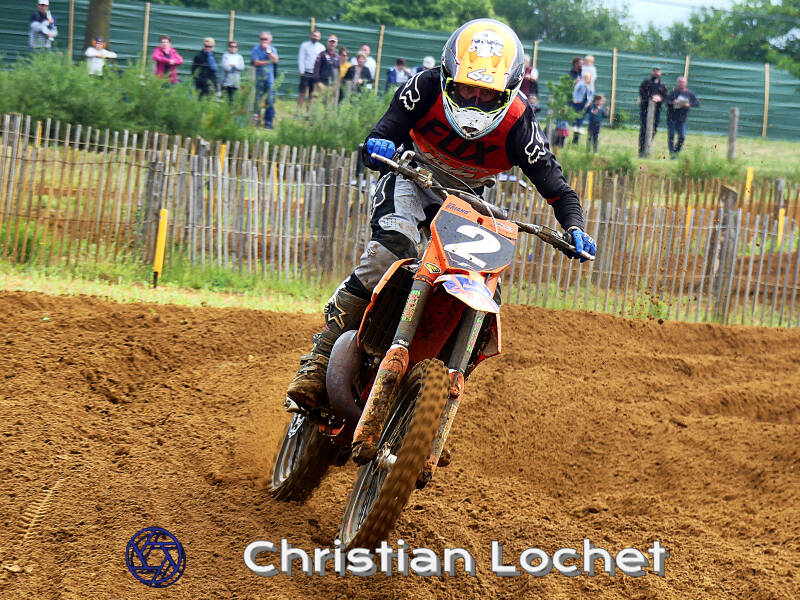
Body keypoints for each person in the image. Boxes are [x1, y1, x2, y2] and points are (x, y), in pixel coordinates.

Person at [285, 19, 596, 412]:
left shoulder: (519, 123)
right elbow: (382, 134)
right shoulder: (425, 87)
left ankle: (435, 399)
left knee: (487, 295)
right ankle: (318, 359)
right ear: (449, 78)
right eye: (467, 89)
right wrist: (377, 146)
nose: (475, 101)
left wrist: (575, 227)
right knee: (391, 249)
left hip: (465, 201)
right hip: (410, 176)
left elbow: (559, 190)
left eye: (487, 93)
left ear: (507, 91)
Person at [665, 77, 700, 158]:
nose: (682, 84)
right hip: (672, 117)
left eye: (683, 82)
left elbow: (697, 103)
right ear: (678, 83)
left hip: (682, 119)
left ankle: (676, 151)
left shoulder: (689, 93)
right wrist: (673, 102)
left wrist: (689, 104)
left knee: (682, 137)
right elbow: (667, 102)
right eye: (680, 82)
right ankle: (672, 154)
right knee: (671, 136)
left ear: (686, 83)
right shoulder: (673, 92)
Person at [638, 66, 667, 157]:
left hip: (657, 111)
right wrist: (651, 97)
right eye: (655, 71)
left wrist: (660, 98)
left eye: (658, 71)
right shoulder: (646, 82)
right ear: (653, 72)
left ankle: (648, 147)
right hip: (645, 109)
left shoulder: (662, 85)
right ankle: (641, 151)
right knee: (644, 129)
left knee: (654, 129)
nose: (657, 73)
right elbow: (642, 92)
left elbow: (665, 96)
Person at [252, 32, 279, 128]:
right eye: (261, 39)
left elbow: (275, 60)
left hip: (269, 79)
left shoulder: (273, 49)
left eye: (265, 39)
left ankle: (268, 123)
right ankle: (257, 121)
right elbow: (256, 62)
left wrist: (268, 51)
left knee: (269, 101)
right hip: (259, 78)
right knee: (258, 100)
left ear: (270, 40)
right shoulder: (255, 49)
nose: (263, 41)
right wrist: (268, 61)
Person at [297, 30, 324, 115]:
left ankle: (308, 113)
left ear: (320, 37)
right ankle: (298, 112)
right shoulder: (304, 45)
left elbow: (322, 62)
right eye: (314, 35)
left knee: (311, 95)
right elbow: (301, 58)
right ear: (310, 36)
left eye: (317, 36)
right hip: (306, 72)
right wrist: (302, 71)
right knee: (302, 93)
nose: (315, 37)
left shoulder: (322, 47)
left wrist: (319, 74)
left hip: (315, 74)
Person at [313, 35, 340, 104]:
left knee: (329, 104)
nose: (332, 44)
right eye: (330, 42)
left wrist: (337, 83)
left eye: (334, 42)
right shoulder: (321, 54)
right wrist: (317, 81)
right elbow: (316, 68)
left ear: (336, 44)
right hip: (321, 83)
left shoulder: (337, 57)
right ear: (327, 43)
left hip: (332, 84)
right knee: (317, 103)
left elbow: (338, 71)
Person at [570, 72, 594, 144]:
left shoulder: (591, 86)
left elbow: (591, 95)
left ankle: (579, 126)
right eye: (585, 78)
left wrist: (589, 102)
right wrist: (574, 98)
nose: (587, 79)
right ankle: (574, 125)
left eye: (588, 78)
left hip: (585, 103)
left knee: (582, 115)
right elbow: (575, 90)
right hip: (578, 101)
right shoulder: (581, 83)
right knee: (576, 114)